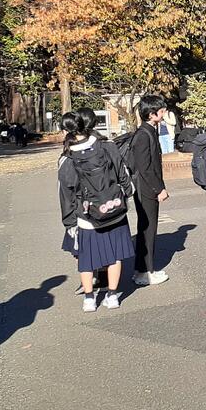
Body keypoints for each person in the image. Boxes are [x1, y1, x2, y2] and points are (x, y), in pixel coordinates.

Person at [58, 112, 135, 312]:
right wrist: (127, 193)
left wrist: (69, 223)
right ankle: (112, 296)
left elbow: (66, 194)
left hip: (86, 217)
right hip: (114, 209)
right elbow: (123, 174)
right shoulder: (108, 146)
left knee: (86, 259)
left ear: (67, 131)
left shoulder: (67, 158)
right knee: (115, 256)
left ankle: (89, 299)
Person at [131, 95, 170, 287]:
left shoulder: (149, 131)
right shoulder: (143, 135)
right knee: (148, 230)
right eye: (161, 111)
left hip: (146, 187)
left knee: (146, 229)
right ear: (151, 114)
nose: (163, 114)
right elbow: (145, 167)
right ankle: (146, 272)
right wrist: (159, 188)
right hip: (145, 188)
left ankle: (143, 270)